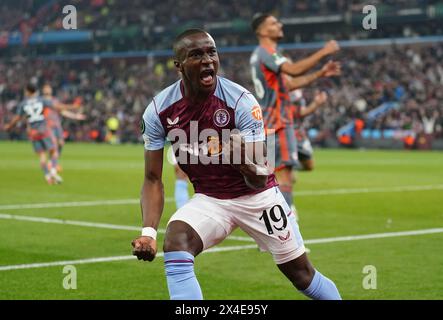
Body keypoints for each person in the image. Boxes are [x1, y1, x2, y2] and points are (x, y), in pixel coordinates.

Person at [131, 29, 341, 300]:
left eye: (212, 52)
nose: (207, 60)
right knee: (175, 239)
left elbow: (260, 178)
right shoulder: (159, 110)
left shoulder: (242, 102)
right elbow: (151, 178)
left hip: (259, 198)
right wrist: (148, 233)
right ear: (179, 65)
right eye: (196, 55)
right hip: (211, 200)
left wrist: (242, 162)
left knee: (302, 276)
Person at [250, 13, 341, 211]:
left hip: (271, 121)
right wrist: (323, 52)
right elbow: (293, 70)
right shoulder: (267, 51)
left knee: (277, 177)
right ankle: (287, 236)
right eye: (274, 23)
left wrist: (320, 73)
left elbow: (289, 84)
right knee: (284, 178)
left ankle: (274, 234)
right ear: (262, 31)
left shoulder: (262, 54)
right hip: (278, 122)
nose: (279, 25)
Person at [5, 83, 63, 184]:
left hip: (33, 132)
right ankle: (53, 170)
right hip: (43, 129)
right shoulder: (41, 100)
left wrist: (9, 126)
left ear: (27, 91)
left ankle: (47, 175)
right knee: (54, 150)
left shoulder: (23, 103)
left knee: (42, 155)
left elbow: (18, 118)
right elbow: (56, 107)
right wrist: (72, 107)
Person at [42, 84, 85, 172]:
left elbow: (62, 111)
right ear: (43, 90)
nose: (47, 90)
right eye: (46, 88)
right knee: (54, 146)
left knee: (61, 143)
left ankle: (53, 162)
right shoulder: (42, 101)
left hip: (57, 125)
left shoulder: (55, 100)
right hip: (48, 125)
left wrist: (76, 116)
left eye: (49, 88)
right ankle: (53, 164)